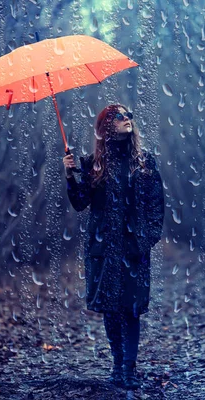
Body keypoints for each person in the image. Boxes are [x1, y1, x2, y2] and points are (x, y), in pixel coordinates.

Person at [62, 104, 164, 389]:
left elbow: (157, 205)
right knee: (110, 309)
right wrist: (71, 174)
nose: (127, 119)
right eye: (120, 116)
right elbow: (80, 202)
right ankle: (117, 364)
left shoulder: (145, 162)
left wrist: (146, 240)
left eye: (130, 115)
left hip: (133, 248)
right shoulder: (92, 163)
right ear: (106, 125)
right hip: (102, 248)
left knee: (130, 309)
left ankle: (130, 369)